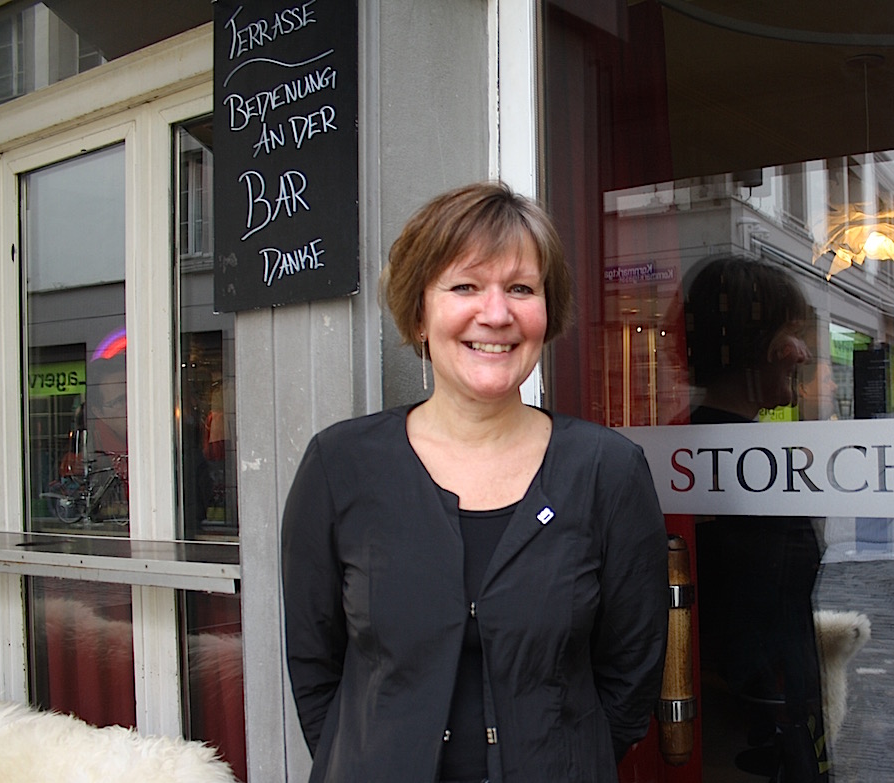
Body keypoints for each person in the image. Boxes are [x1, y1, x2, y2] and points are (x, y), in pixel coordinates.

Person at [281, 181, 669, 783]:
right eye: (465, 286)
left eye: (521, 288)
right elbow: (314, 665)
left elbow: (632, 670)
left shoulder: (607, 471)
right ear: (418, 314)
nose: (496, 313)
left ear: (547, 310)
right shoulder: (340, 465)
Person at [679, 254, 830, 781]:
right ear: (751, 345)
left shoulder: (682, 445)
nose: (805, 353)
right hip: (752, 730)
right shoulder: (757, 463)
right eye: (792, 334)